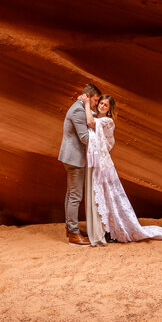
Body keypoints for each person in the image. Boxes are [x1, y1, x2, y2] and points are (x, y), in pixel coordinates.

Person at [80, 93, 162, 245]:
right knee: (100, 196)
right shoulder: (98, 117)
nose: (101, 106)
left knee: (109, 196)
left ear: (109, 110)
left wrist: (87, 104)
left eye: (105, 105)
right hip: (95, 163)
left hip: (103, 165)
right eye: (100, 103)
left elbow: (90, 122)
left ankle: (113, 230)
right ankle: (103, 229)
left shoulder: (107, 121)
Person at [58, 84, 101, 246]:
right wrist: (101, 139)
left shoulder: (79, 107)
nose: (96, 104)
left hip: (71, 157)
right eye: (96, 100)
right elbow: (85, 137)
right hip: (74, 158)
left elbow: (92, 116)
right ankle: (74, 235)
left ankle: (70, 228)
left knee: (71, 194)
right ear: (88, 97)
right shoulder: (78, 110)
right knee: (75, 196)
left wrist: (87, 106)